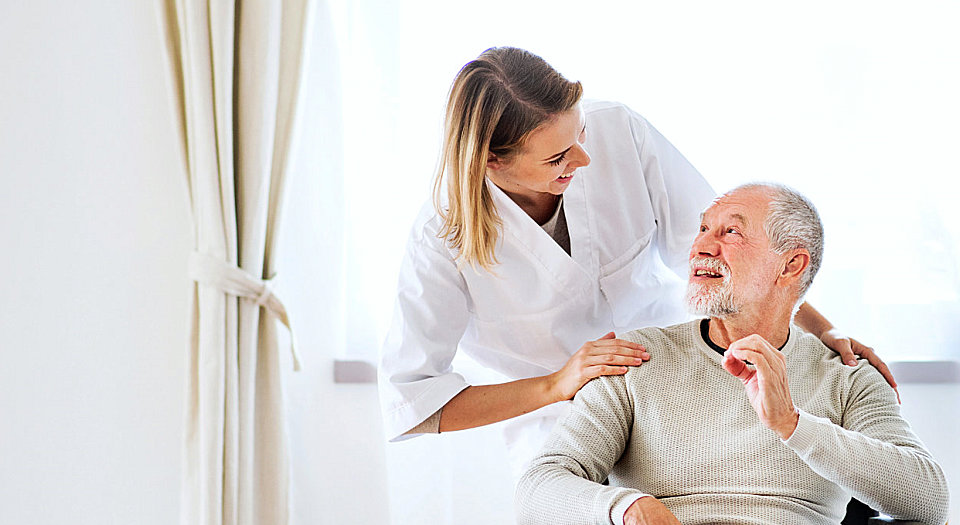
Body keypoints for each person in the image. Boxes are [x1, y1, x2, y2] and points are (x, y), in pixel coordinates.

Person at [378, 46, 895, 477]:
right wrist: (556, 384)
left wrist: (821, 331)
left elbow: (722, 252)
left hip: (682, 387)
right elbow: (415, 402)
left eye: (579, 134)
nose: (583, 159)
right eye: (557, 159)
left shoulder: (618, 130)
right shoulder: (440, 236)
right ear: (492, 162)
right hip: (565, 424)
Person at [515, 183, 949, 525]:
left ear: (790, 265)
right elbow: (539, 486)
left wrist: (792, 425)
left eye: (731, 232)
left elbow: (929, 499)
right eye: (703, 228)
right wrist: (625, 508)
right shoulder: (634, 359)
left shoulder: (846, 376)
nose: (701, 246)